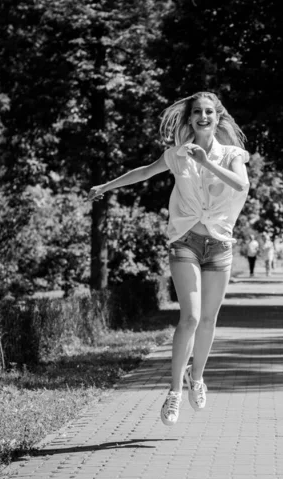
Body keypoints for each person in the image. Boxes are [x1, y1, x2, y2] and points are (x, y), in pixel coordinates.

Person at [87, 92, 249, 426]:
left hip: (219, 245)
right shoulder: (177, 155)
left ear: (218, 118)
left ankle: (197, 377)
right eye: (197, 112)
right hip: (185, 241)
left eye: (209, 112)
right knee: (189, 317)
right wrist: (107, 184)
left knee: (208, 320)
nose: (203, 117)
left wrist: (206, 162)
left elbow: (242, 185)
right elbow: (143, 172)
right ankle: (174, 391)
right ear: (190, 119)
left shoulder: (233, 154)